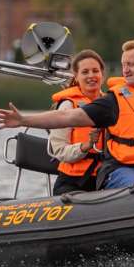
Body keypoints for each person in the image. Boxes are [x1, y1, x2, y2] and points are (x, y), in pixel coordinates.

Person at [0, 36, 134, 189]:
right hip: (125, 172)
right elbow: (67, 117)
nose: (125, 70)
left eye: (131, 64)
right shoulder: (114, 101)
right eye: (123, 65)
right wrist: (23, 120)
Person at [48, 50, 106, 194]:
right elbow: (60, 151)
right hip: (73, 182)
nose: (91, 76)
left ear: (102, 75)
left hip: (105, 179)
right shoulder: (68, 106)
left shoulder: (112, 105)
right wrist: (86, 146)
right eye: (85, 72)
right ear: (77, 76)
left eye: (95, 71)